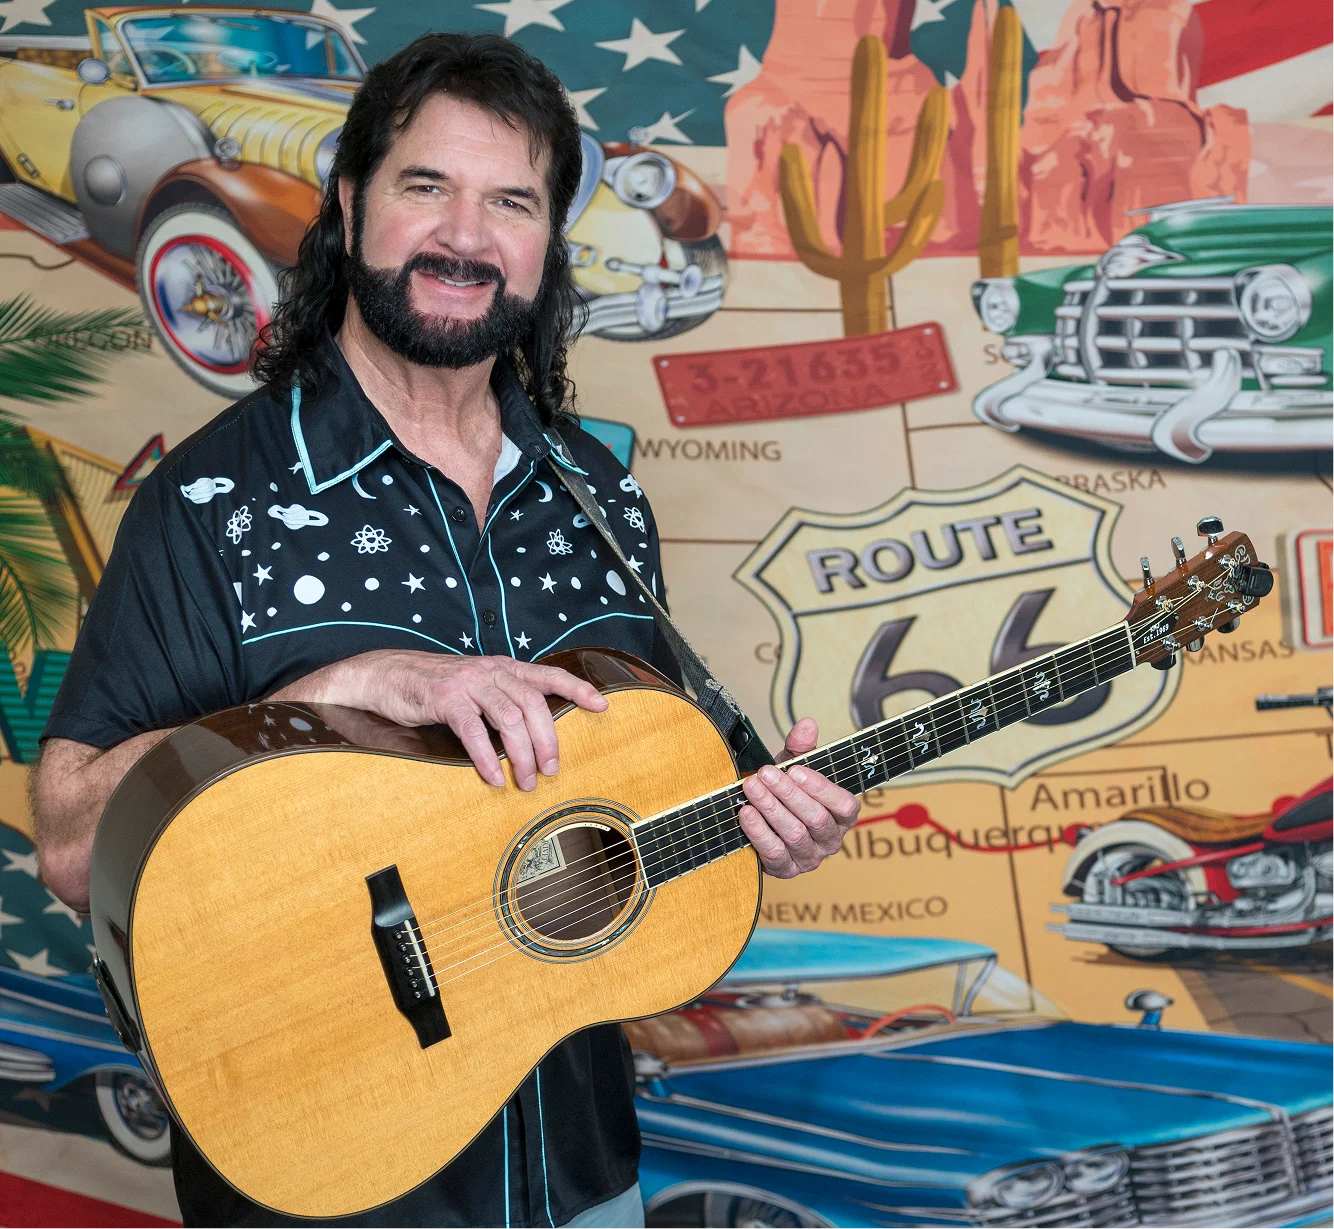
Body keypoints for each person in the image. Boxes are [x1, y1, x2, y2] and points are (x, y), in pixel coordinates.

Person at [31, 31, 861, 1229]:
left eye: (510, 200)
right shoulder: (215, 502)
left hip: (586, 1182)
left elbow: (626, 808)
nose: (467, 235)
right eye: (427, 185)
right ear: (351, 200)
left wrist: (765, 815)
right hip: (330, 1193)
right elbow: (69, 843)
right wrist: (347, 684)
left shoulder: (596, 496)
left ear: (545, 243)